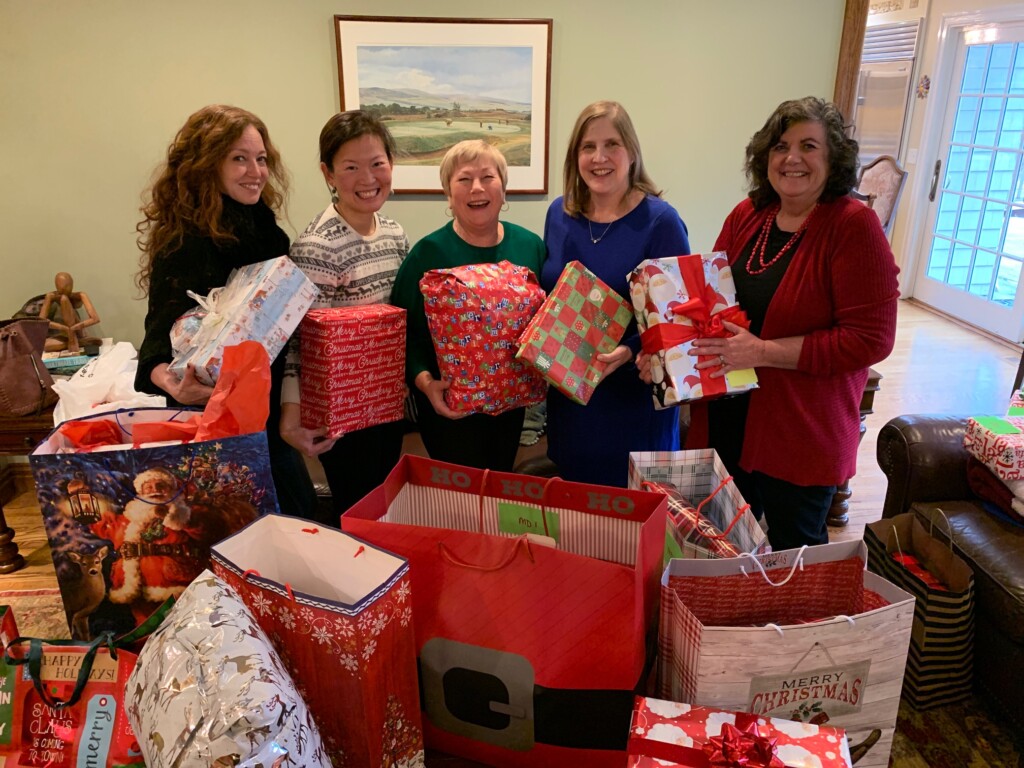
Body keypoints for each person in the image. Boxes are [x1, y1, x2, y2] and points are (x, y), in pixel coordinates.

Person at [680, 96, 899, 550]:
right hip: (727, 417)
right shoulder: (748, 216)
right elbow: (708, 301)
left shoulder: (853, 227)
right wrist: (665, 355)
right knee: (721, 547)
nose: (792, 158)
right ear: (765, 157)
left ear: (833, 157)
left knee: (794, 556)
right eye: (781, 146)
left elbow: (871, 339)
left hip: (800, 432)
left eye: (809, 146)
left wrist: (762, 352)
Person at [134, 104, 316, 519]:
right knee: (233, 525)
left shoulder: (265, 228)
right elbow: (159, 340)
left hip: (261, 407)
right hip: (210, 412)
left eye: (261, 159)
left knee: (295, 511)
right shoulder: (185, 239)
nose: (256, 171)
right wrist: (173, 384)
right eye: (239, 158)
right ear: (206, 164)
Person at [542, 100, 690, 487]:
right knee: (577, 525)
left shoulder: (660, 221)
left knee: (632, 530)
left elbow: (680, 318)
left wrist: (628, 349)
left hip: (634, 402)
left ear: (632, 152)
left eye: (612, 144)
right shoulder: (559, 214)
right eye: (588, 147)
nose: (599, 157)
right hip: (573, 403)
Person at [281, 111, 409, 519]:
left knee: (387, 510)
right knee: (358, 515)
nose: (367, 178)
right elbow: (299, 341)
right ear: (328, 174)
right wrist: (292, 414)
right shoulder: (317, 246)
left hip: (387, 404)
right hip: (342, 415)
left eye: (377, 164)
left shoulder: (394, 233)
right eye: (351, 167)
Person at [391, 139, 545, 471]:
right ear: (448, 193)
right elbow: (405, 335)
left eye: (488, 177)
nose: (477, 188)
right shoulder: (427, 254)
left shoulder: (530, 247)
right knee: (459, 498)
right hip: (449, 409)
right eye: (464, 179)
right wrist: (426, 384)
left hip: (511, 406)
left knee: (499, 486)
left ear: (504, 189)